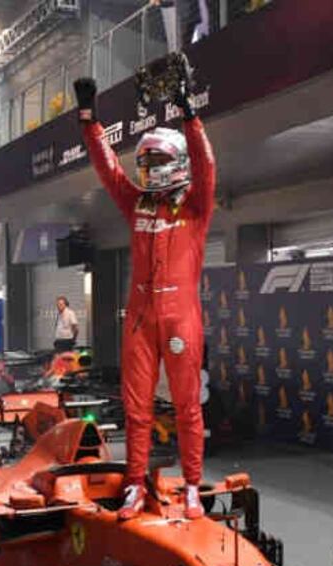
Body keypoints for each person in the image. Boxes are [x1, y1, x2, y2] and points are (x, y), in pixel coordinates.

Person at [75, 55, 216, 520]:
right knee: (135, 408)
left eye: (157, 159)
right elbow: (107, 169)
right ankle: (135, 484)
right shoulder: (135, 203)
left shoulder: (195, 207)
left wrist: (188, 114)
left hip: (180, 320)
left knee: (185, 406)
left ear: (175, 162)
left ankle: (193, 485)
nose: (148, 167)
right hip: (138, 319)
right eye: (145, 159)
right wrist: (89, 120)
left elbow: (206, 163)